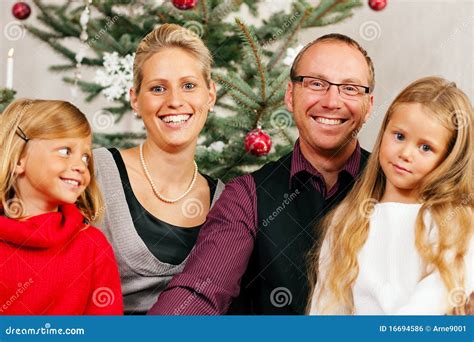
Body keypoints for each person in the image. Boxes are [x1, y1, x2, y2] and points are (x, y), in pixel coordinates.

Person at [149, 33, 375, 315]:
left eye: (351, 88)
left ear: (369, 106)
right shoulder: (247, 195)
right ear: (291, 97)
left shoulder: (398, 184)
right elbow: (201, 289)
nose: (332, 101)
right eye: (316, 84)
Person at [308, 76, 473, 315]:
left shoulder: (453, 219)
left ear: (448, 159)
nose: (406, 153)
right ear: (384, 131)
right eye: (399, 136)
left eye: (425, 147)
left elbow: (441, 292)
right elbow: (328, 304)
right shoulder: (348, 220)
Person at [93, 23, 224, 315]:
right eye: (158, 88)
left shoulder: (225, 201)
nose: (175, 101)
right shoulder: (94, 172)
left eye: (189, 85)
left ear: (210, 95)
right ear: (135, 99)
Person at [0, 99, 123, 315]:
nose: (80, 166)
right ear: (19, 158)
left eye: (85, 157)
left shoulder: (93, 247)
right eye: (65, 151)